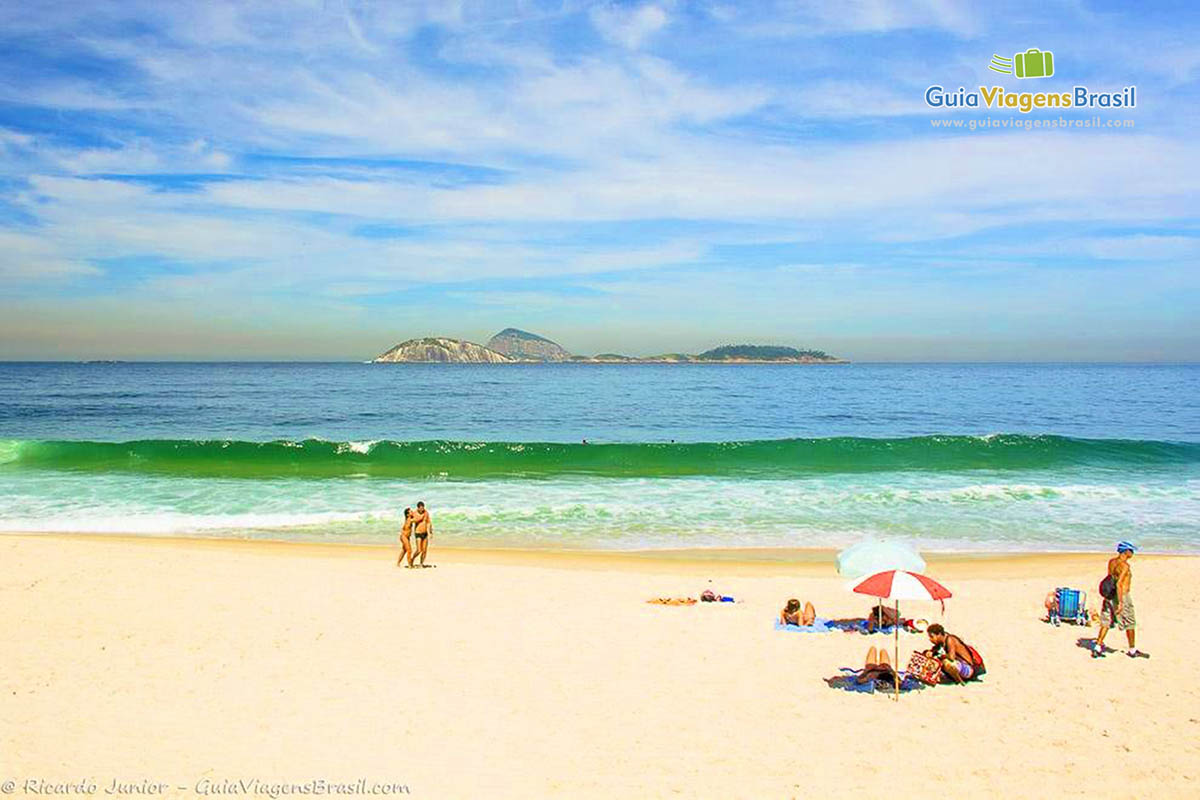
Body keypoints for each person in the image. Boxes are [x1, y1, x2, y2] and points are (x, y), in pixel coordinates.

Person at [1093, 541, 1148, 658]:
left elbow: (1111, 577)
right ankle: (1132, 650)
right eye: (1131, 551)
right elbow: (1119, 584)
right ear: (1126, 552)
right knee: (1130, 623)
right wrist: (1121, 603)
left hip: (1110, 595)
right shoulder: (1125, 566)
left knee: (1106, 622)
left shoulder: (1111, 562)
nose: (1132, 553)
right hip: (1121, 595)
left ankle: (1097, 647)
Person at [412, 501, 433, 567]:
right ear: (418, 508)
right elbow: (410, 521)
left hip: (425, 534)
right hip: (418, 533)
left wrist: (430, 531)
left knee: (424, 550)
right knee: (419, 550)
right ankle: (412, 559)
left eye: (423, 508)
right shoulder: (414, 513)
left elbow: (429, 522)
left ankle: (421, 563)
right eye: (420, 508)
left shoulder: (426, 513)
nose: (422, 509)